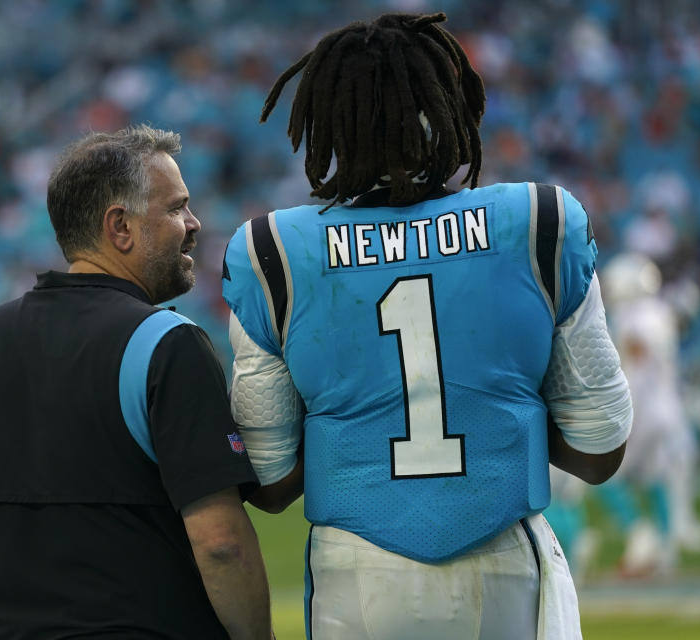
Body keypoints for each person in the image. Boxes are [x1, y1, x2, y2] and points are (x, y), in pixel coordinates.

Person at [221, 12, 632, 639]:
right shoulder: (538, 219)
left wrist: (358, 425)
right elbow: (602, 449)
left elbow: (272, 481)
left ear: (328, 123)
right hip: (504, 562)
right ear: (450, 110)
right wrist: (498, 418)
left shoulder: (273, 248)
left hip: (355, 572)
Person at [0, 125, 273, 639]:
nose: (194, 223)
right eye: (175, 208)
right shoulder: (167, 343)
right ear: (120, 227)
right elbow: (221, 542)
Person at [597, 252, 700, 576]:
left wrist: (618, 408)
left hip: (642, 407)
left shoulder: (632, 316)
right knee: (653, 477)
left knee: (604, 476)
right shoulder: (660, 310)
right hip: (667, 408)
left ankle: (640, 535)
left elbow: (638, 361)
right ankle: (664, 551)